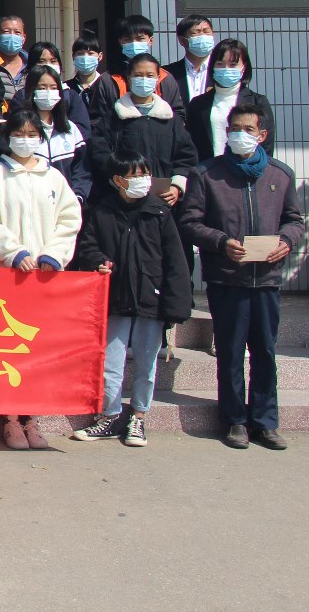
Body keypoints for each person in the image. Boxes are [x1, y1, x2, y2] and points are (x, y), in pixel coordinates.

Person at [179, 104, 305, 451]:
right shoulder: (207, 174)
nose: (240, 134)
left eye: (248, 129)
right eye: (235, 128)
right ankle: (235, 419)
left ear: (262, 135)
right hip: (227, 279)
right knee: (231, 352)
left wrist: (286, 241)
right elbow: (190, 222)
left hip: (266, 279)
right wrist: (221, 242)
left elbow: (294, 220)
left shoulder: (280, 174)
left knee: (264, 352)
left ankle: (266, 422)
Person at [0, 107, 83, 450]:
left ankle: (32, 418)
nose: (25, 140)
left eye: (32, 135)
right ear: (8, 137)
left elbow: (69, 220)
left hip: (44, 277)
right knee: (8, 348)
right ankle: (10, 418)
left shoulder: (53, 178)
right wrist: (14, 252)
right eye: (18, 134)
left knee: (38, 350)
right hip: (7, 275)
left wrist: (54, 254)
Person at [70, 150, 193, 448]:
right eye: (134, 175)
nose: (142, 180)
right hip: (115, 298)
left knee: (146, 364)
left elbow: (176, 262)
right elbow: (87, 246)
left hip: (152, 300)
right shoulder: (102, 211)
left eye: (145, 174)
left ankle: (138, 416)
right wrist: (97, 261)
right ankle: (110, 415)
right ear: (118, 180)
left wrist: (176, 306)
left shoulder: (159, 213)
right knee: (111, 363)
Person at [89, 54, 197, 207]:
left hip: (162, 203)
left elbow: (187, 156)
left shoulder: (170, 120)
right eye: (138, 75)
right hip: (121, 201)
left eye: (150, 75)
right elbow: (100, 154)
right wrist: (121, 180)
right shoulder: (113, 118)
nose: (144, 79)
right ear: (129, 78)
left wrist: (177, 185)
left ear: (158, 79)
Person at [185, 38, 276, 161]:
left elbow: (267, 146)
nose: (226, 69)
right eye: (220, 64)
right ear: (212, 66)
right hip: (208, 169)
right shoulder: (198, 104)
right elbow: (191, 143)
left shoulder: (258, 102)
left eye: (233, 65)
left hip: (246, 168)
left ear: (244, 67)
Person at [24, 65, 91, 204]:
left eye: (53, 88)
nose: (48, 92)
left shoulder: (70, 129)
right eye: (42, 88)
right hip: (33, 204)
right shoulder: (21, 130)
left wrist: (77, 197)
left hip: (67, 205)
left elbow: (81, 169)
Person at [165, 14, 217, 103]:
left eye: (206, 31)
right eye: (196, 32)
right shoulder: (167, 73)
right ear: (182, 40)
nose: (203, 36)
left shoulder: (221, 71)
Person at [0, 15, 30, 103]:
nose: (12, 36)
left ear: (23, 38)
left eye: (17, 32)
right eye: (6, 32)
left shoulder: (32, 66)